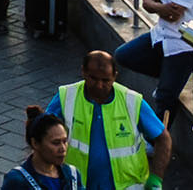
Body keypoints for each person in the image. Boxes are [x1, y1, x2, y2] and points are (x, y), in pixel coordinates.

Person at [43, 51, 171, 190]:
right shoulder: (67, 97)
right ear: (83, 72)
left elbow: (163, 139)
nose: (99, 85)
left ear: (115, 76)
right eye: (93, 78)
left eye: (105, 80)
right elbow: (41, 132)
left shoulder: (132, 101)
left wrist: (156, 178)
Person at [5, 109, 84, 190]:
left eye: (65, 141)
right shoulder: (17, 181)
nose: (63, 148)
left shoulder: (72, 175)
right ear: (35, 143)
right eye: (56, 143)